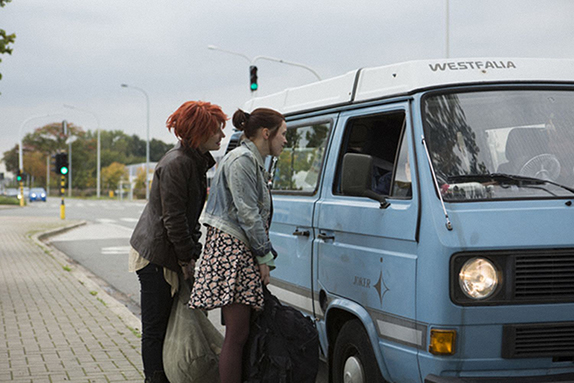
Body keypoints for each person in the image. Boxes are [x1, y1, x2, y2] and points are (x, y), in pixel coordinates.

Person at [129, 101, 227, 383]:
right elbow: (173, 220)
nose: (222, 136)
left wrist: (191, 254)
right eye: (217, 130)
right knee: (156, 328)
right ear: (199, 131)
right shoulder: (178, 163)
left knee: (169, 324)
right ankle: (155, 378)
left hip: (168, 252)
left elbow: (188, 217)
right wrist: (187, 260)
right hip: (157, 256)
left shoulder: (193, 160)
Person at [189, 107, 287, 383]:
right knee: (236, 334)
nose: (285, 140)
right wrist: (264, 257)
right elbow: (248, 213)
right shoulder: (242, 160)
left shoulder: (251, 160)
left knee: (240, 332)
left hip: (237, 248)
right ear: (266, 133)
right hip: (232, 249)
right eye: (283, 134)